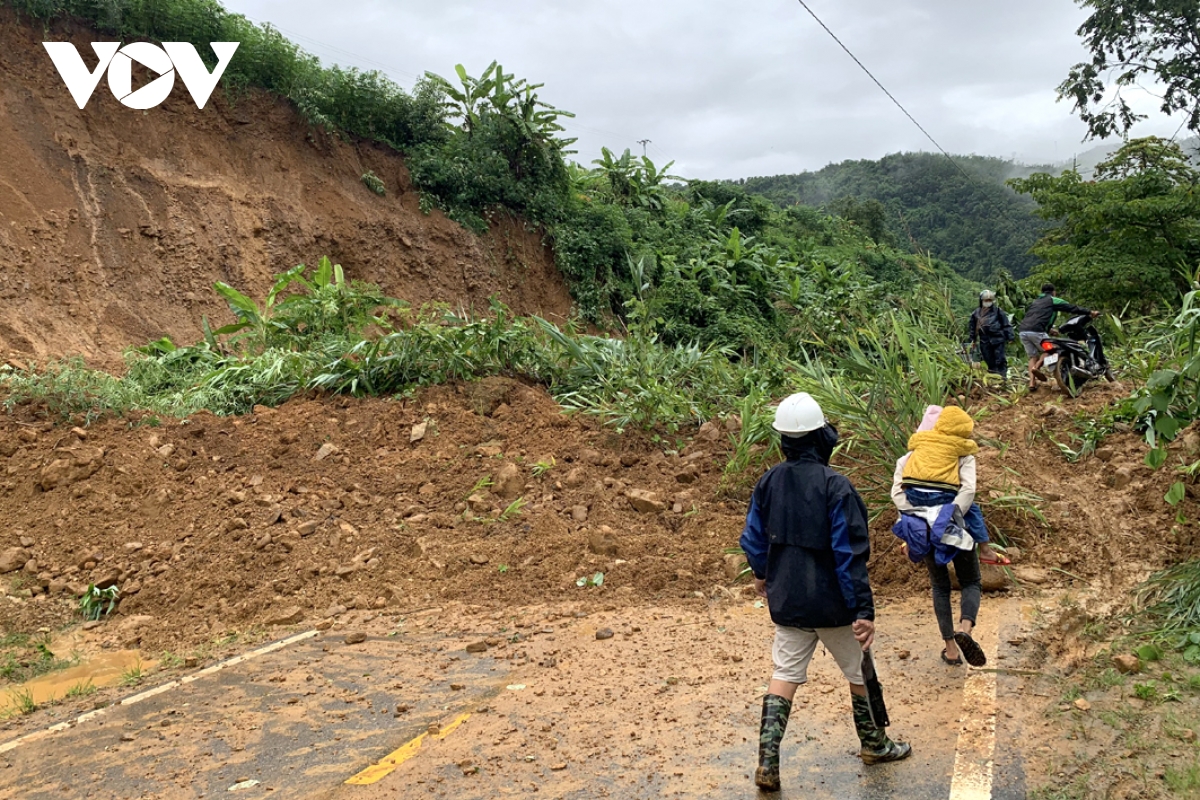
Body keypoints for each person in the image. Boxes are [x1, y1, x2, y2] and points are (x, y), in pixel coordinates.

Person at [740, 392, 911, 792]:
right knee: (859, 672)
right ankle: (875, 744)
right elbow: (849, 553)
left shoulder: (768, 482)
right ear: (821, 437)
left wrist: (763, 573)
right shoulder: (837, 487)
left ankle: (767, 762)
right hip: (834, 605)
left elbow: (753, 536)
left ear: (782, 438)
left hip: (788, 601)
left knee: (783, 675)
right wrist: (863, 609)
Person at [891, 405, 992, 668]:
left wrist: (920, 518)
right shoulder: (962, 457)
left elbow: (898, 494)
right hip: (957, 529)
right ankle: (965, 630)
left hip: (923, 532)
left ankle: (950, 650)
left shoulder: (910, 458)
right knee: (971, 581)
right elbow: (968, 491)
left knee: (940, 587)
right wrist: (947, 516)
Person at [1017, 282, 1099, 391]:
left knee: (1033, 356)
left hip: (1023, 331)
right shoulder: (1052, 299)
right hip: (1037, 331)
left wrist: (1050, 330)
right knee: (1052, 350)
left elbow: (1036, 318)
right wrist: (1090, 312)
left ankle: (1032, 383)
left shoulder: (1035, 302)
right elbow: (1071, 308)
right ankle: (1036, 367)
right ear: (1053, 292)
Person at [967, 290, 1014, 384]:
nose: (988, 302)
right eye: (986, 300)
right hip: (984, 340)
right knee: (988, 359)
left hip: (998, 338)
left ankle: (1003, 378)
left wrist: (1010, 336)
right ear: (981, 300)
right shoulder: (976, 313)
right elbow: (972, 327)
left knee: (1000, 359)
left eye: (990, 300)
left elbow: (1006, 324)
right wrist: (973, 339)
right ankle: (993, 377)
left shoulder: (998, 311)